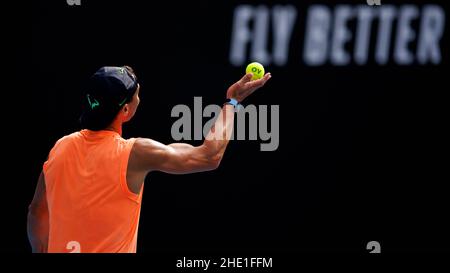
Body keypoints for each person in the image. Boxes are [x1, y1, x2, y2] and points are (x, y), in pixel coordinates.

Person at [27, 66, 271, 253]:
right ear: (125, 111)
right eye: (137, 95)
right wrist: (233, 102)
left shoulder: (60, 147)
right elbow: (209, 156)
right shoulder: (135, 153)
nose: (139, 98)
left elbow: (37, 213)